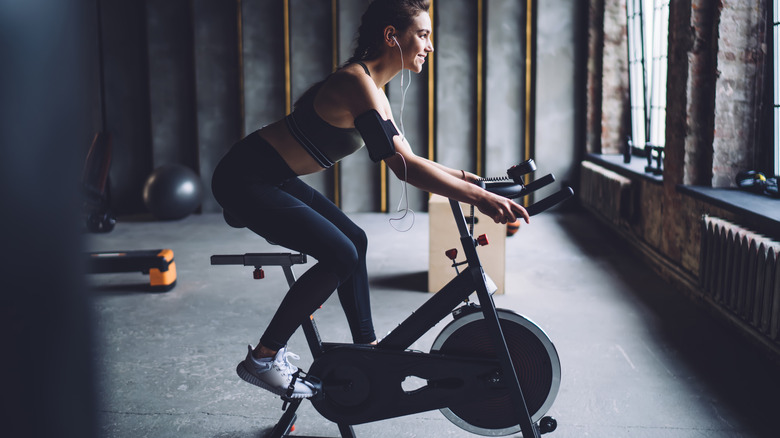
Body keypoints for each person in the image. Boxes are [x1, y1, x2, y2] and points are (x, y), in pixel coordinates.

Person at [211, 0, 529, 399]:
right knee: (339, 255)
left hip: (273, 175)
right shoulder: (355, 82)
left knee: (355, 243)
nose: (430, 45)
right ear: (391, 36)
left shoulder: (373, 88)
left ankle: (368, 349)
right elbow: (405, 170)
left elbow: (412, 159)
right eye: (424, 35)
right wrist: (477, 197)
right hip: (245, 178)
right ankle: (262, 358)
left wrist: (477, 181)